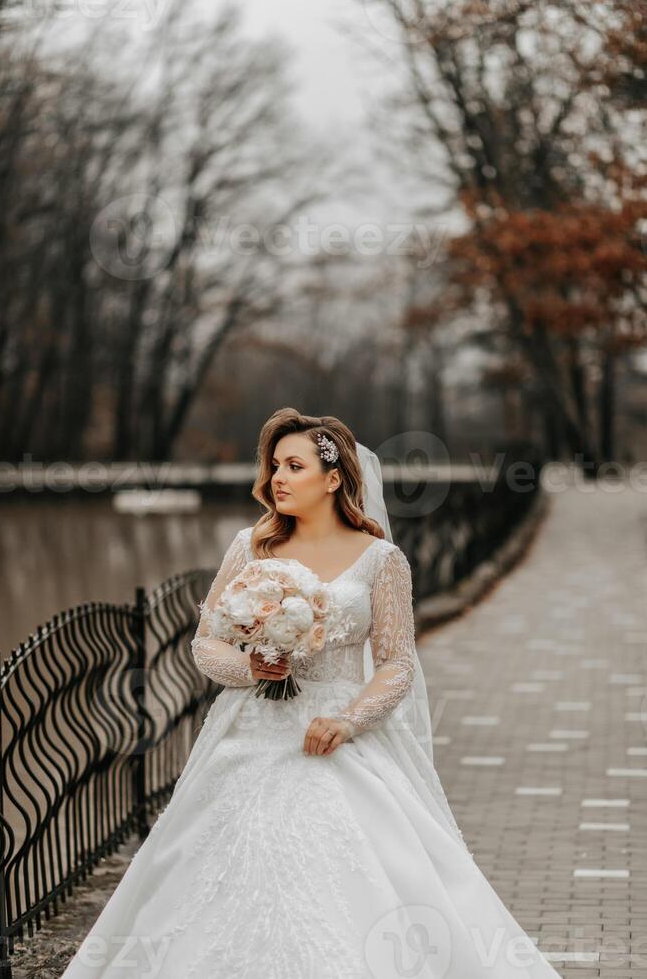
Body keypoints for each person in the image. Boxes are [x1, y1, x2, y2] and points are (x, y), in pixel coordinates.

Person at [63, 408, 562, 979]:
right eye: (274, 465)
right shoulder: (250, 548)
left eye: (294, 466)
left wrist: (349, 721)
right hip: (249, 734)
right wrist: (255, 665)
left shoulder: (381, 561)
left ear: (332, 479)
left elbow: (397, 663)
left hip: (339, 734)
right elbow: (206, 645)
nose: (277, 477)